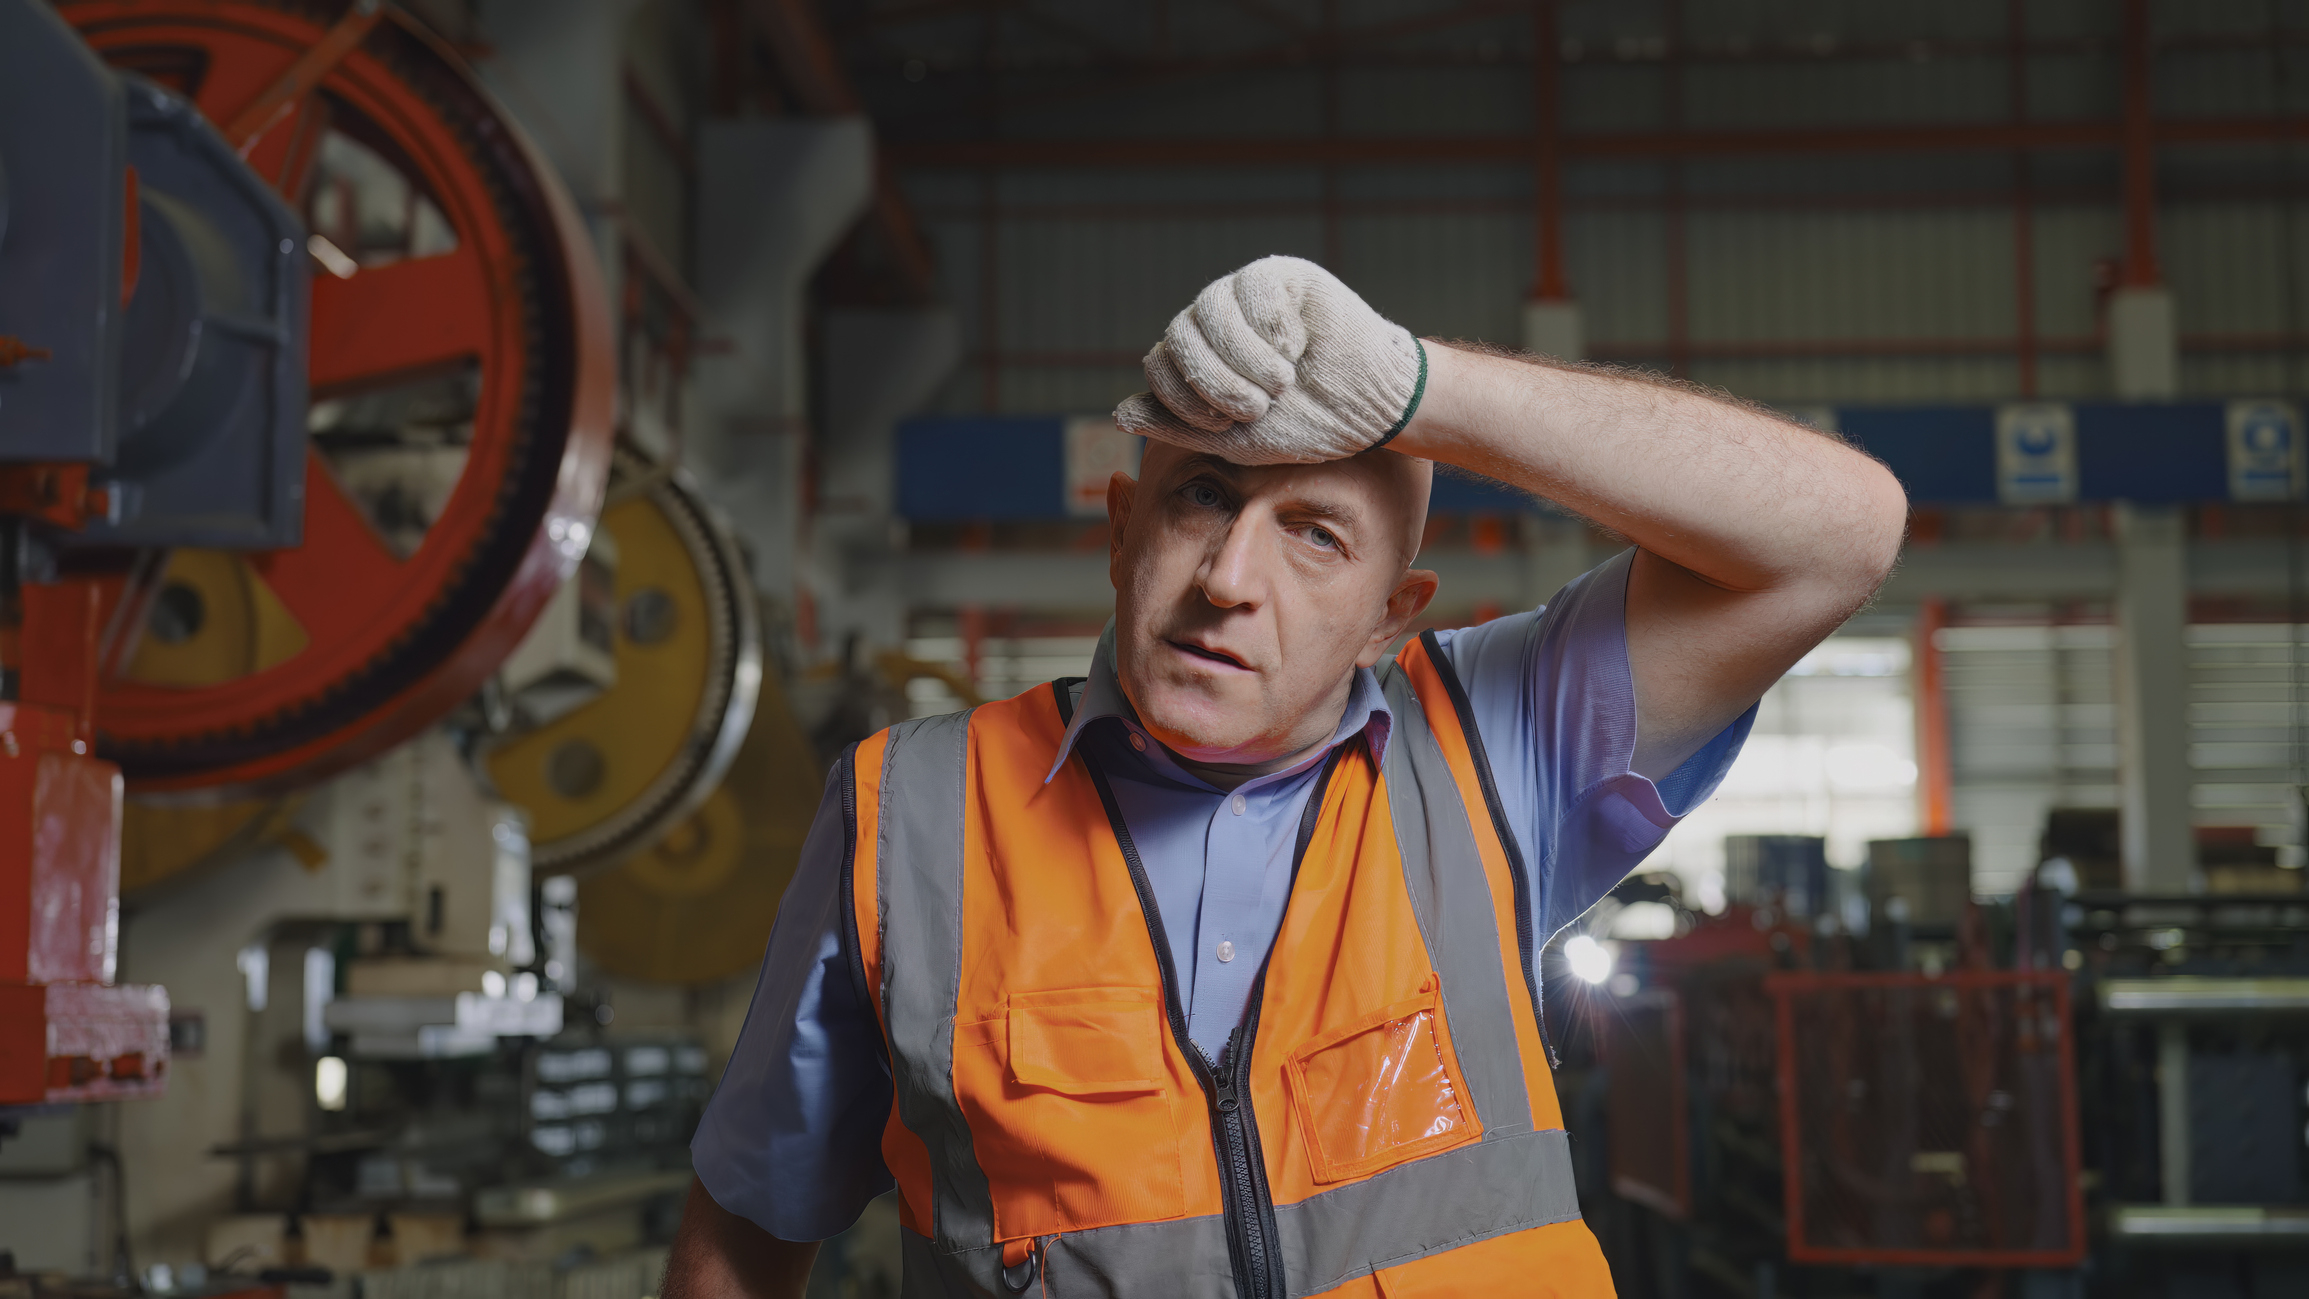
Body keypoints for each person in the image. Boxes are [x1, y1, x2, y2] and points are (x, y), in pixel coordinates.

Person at [662, 257, 1907, 1297]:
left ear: (1388, 616)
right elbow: (751, 1219)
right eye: (1202, 498)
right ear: (1119, 532)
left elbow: (1838, 535)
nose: (1228, 580)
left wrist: (1425, 386)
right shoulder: (909, 817)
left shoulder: (1492, 748)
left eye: (1314, 534)